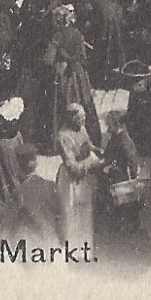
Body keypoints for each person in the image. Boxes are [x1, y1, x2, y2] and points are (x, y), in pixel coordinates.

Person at [56, 101, 105, 248]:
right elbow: (73, 168)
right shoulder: (63, 136)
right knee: (71, 215)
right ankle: (72, 250)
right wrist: (92, 162)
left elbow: (88, 145)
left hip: (84, 179)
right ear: (72, 118)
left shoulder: (82, 129)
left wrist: (99, 151)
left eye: (84, 117)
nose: (84, 120)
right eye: (81, 117)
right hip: (71, 182)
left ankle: (85, 249)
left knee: (85, 214)